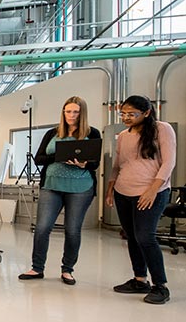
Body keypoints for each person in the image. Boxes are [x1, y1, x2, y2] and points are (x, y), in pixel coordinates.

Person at [18, 96, 101, 285]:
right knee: (42, 228)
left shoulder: (92, 132)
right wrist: (60, 156)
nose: (71, 115)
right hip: (52, 186)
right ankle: (37, 268)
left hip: (80, 188)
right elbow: (38, 159)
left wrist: (83, 164)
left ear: (82, 113)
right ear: (63, 112)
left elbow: (95, 163)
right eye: (68, 111)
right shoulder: (52, 133)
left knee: (72, 230)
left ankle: (67, 270)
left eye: (76, 112)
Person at [105, 95, 176, 304]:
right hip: (123, 192)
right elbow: (118, 164)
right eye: (123, 114)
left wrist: (153, 189)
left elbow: (169, 162)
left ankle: (160, 286)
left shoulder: (162, 129)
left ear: (146, 113)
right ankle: (139, 279)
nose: (126, 118)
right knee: (132, 236)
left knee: (145, 237)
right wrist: (110, 188)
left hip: (151, 192)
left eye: (131, 114)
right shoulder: (124, 135)